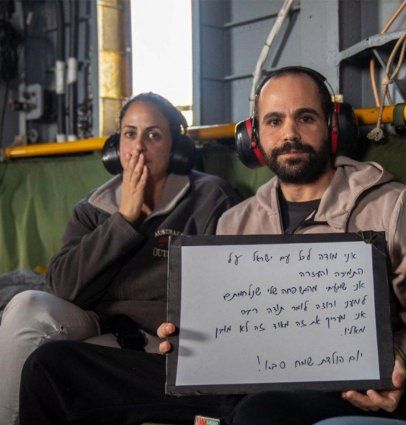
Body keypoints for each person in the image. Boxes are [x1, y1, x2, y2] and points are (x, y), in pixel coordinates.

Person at [19, 67, 406, 425]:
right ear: (254, 137)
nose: (289, 133)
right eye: (274, 121)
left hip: (339, 387)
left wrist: (404, 358)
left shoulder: (392, 204)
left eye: (305, 117)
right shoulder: (235, 221)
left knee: (258, 412)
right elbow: (215, 326)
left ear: (332, 126)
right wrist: (186, 338)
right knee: (52, 365)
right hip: (233, 385)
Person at [0, 92, 240, 424]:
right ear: (116, 146)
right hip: (102, 325)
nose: (138, 146)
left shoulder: (211, 198)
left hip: (166, 342)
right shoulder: (94, 207)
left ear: (177, 148)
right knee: (27, 305)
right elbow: (63, 287)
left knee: (53, 369)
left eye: (153, 135)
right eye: (130, 133)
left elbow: (225, 292)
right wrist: (124, 221)